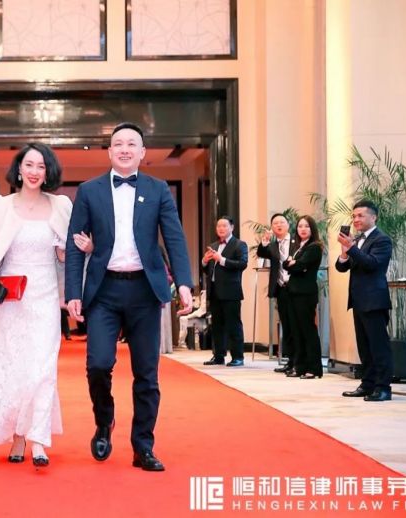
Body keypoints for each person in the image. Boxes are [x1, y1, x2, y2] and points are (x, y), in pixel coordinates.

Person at [65, 122, 194, 472]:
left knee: (146, 374)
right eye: (118, 144)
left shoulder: (158, 189)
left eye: (131, 144)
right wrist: (72, 292)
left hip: (144, 291)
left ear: (142, 153)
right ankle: (104, 421)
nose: (124, 149)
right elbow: (74, 246)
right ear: (109, 151)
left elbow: (175, 238)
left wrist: (184, 283)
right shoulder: (89, 191)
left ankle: (143, 446)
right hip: (103, 291)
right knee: (97, 365)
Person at [0, 143, 74, 468]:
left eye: (41, 166)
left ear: (48, 172)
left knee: (42, 369)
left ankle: (38, 440)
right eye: (29, 165)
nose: (34, 172)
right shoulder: (0, 207)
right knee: (15, 368)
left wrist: (70, 253)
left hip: (45, 299)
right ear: (18, 169)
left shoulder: (61, 206)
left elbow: (68, 257)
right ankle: (17, 436)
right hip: (12, 301)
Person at [336, 199, 393, 402]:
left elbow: (372, 264)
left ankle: (383, 387)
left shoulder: (382, 239)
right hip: (359, 300)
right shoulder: (358, 240)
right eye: (354, 216)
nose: (356, 219)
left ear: (373, 217)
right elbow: (341, 267)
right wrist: (344, 253)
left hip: (374, 300)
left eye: (361, 215)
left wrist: (351, 248)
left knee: (378, 346)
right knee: (364, 347)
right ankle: (367, 384)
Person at [201, 216, 248, 367]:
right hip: (214, 291)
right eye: (218, 226)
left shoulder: (239, 244)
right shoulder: (213, 245)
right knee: (217, 326)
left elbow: (242, 264)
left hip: (231, 291)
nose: (221, 228)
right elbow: (208, 270)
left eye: (224, 226)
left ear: (232, 227)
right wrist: (204, 261)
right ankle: (218, 356)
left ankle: (238, 357)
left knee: (234, 325)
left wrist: (221, 260)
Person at [282, 215, 324, 379]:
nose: (303, 229)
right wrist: (291, 264)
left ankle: (314, 368)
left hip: (305, 293)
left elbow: (300, 266)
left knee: (307, 330)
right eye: (300, 226)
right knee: (296, 331)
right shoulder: (298, 247)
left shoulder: (314, 247)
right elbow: (286, 264)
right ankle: (299, 366)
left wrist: (294, 264)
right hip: (293, 292)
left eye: (306, 226)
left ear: (312, 229)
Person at [256, 213, 297, 374]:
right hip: (281, 289)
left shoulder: (296, 242)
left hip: (295, 287)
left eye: (282, 222)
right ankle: (290, 361)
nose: (279, 225)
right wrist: (264, 242)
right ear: (272, 228)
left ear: (288, 225)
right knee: (286, 325)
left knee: (295, 325)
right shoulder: (272, 245)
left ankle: (299, 362)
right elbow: (261, 253)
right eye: (275, 223)